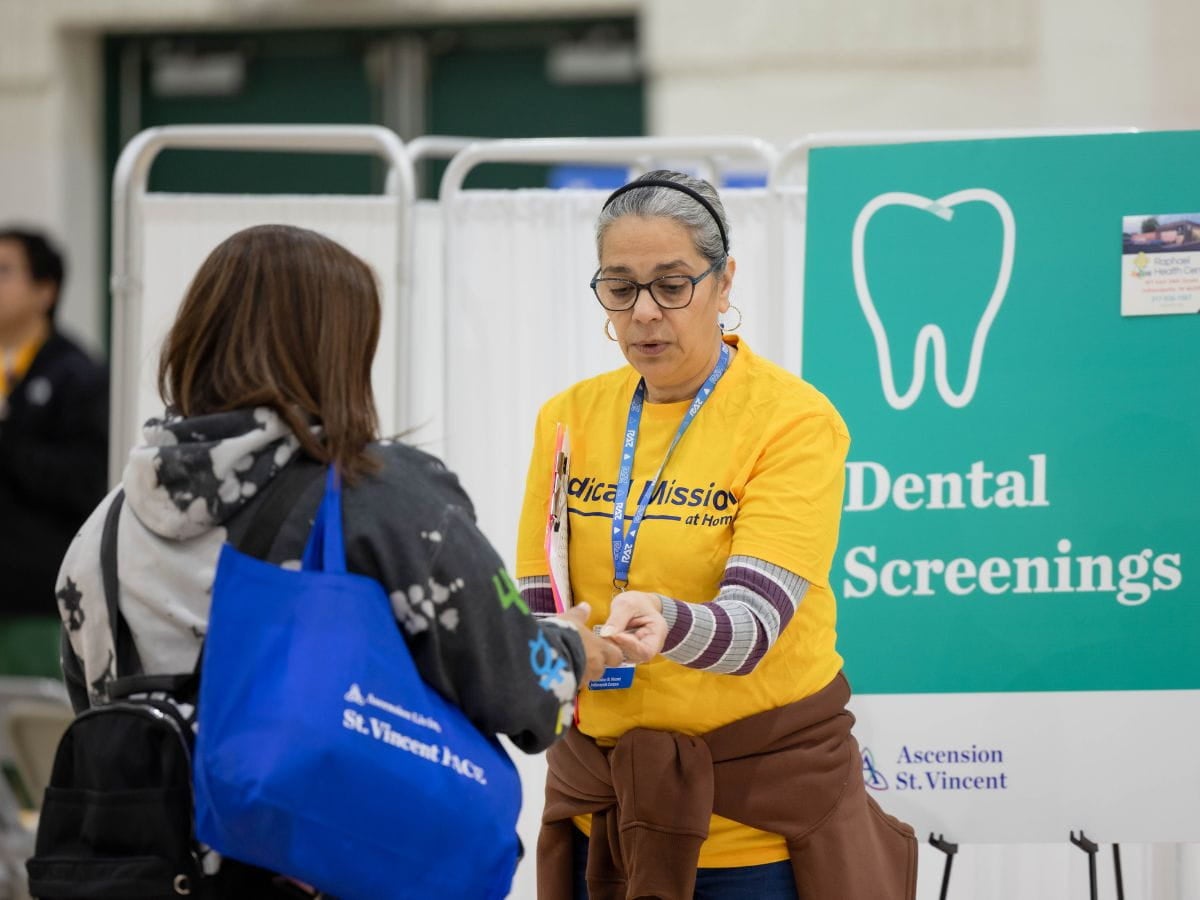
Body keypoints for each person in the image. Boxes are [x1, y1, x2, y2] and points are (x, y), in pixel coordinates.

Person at [54, 223, 622, 893]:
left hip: (152, 873)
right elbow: (523, 695)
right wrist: (580, 649)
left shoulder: (104, 529)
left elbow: (98, 711)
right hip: (326, 869)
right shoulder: (377, 498)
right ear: (339, 350)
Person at [516, 171, 917, 899]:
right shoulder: (567, 417)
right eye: (620, 287)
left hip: (751, 834)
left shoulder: (791, 421)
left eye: (673, 285)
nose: (644, 314)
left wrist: (663, 621)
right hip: (598, 812)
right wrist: (539, 657)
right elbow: (539, 596)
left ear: (724, 280)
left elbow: (754, 628)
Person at [0, 227, 107, 679]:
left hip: (34, 603)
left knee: (28, 740)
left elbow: (87, 482)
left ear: (45, 290)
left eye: (4, 271)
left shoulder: (75, 376)